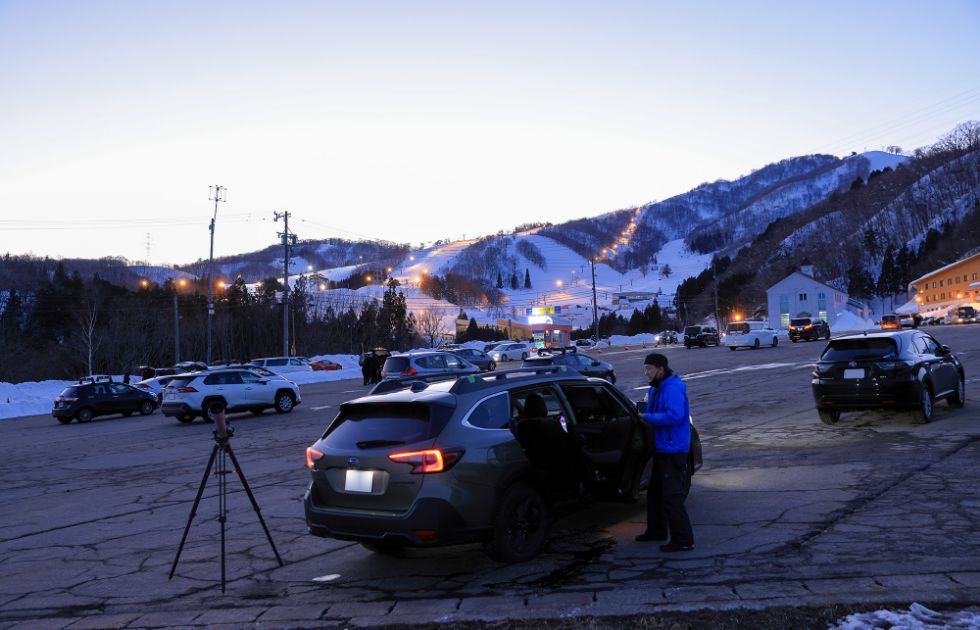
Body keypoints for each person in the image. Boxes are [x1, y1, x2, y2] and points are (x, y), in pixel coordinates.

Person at [635, 352, 695, 552]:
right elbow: (653, 409)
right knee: (655, 494)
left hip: (673, 448)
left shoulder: (672, 389)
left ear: (660, 369)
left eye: (649, 369)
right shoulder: (656, 388)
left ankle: (684, 540)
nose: (646, 373)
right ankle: (657, 530)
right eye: (645, 369)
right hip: (661, 447)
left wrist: (648, 417)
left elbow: (674, 416)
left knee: (671, 497)